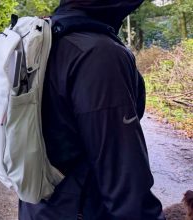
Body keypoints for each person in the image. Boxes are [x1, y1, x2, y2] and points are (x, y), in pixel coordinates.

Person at [19, 0, 166, 219]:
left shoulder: (47, 37)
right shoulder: (99, 55)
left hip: (39, 207)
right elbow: (124, 179)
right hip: (80, 210)